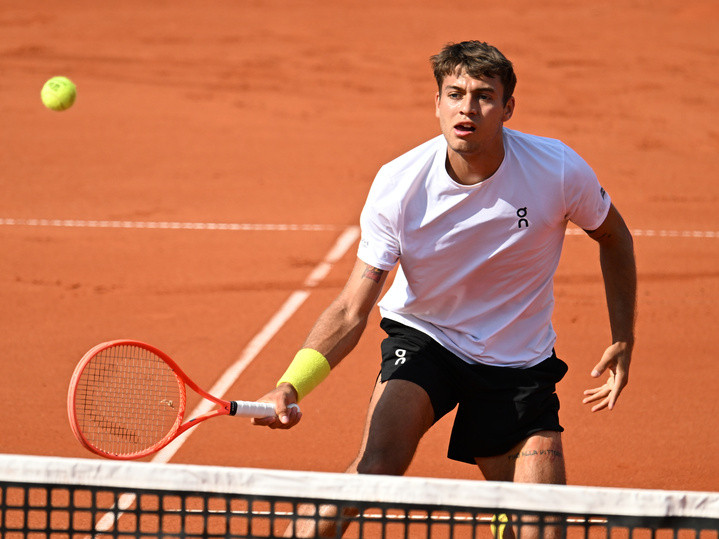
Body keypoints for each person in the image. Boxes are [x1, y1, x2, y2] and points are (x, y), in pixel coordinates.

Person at [252, 40, 636, 537]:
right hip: (427, 340)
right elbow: (351, 308)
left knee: (541, 527)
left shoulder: (556, 169)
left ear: (508, 108)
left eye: (484, 96)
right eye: (454, 94)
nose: (467, 108)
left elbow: (614, 236)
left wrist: (623, 336)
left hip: (517, 361)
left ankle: (505, 510)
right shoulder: (400, 184)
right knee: (375, 470)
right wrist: (292, 384)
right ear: (437, 103)